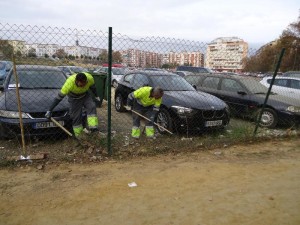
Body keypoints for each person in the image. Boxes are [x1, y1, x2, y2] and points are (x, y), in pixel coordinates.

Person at [45, 72, 101, 137]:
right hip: (74, 98)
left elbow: (92, 87)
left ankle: (94, 129)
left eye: (85, 83)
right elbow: (59, 98)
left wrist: (96, 96)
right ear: (76, 81)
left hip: (85, 95)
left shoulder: (89, 78)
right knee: (76, 116)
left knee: (92, 106)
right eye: (81, 84)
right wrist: (50, 110)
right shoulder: (69, 83)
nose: (83, 85)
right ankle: (79, 136)